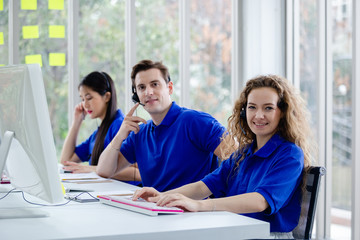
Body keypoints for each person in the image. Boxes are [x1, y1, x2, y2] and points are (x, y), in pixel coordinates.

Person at [132, 74, 314, 238]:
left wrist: (200, 205)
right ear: (244, 112)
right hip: (236, 230)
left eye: (268, 108)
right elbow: (205, 186)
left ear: (282, 112)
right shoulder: (244, 152)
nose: (259, 115)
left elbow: (260, 201)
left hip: (265, 235)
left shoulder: (289, 154)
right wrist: (162, 196)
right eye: (252, 107)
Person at [97, 60, 232, 192]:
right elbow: (103, 171)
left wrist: (209, 193)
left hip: (192, 210)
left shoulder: (196, 121)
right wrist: (120, 136)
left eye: (155, 84)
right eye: (141, 87)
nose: (148, 92)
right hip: (154, 209)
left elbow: (238, 159)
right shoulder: (140, 132)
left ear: (170, 88)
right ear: (136, 96)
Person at [60, 71, 141, 184]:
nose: (85, 104)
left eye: (89, 98)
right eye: (82, 99)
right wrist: (76, 122)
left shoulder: (120, 126)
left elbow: (137, 172)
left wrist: (93, 169)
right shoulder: (98, 133)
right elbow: (66, 161)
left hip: (123, 194)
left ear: (107, 96)